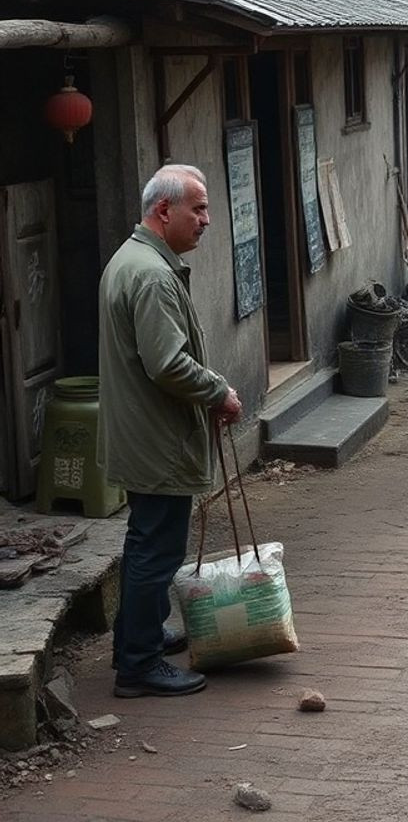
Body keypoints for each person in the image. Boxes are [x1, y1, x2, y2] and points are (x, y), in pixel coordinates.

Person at [98, 164, 242, 698]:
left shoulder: (133, 259)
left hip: (143, 432)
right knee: (156, 549)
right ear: (164, 210)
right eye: (198, 209)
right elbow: (167, 364)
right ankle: (138, 665)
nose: (206, 220)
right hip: (156, 438)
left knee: (149, 542)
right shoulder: (153, 274)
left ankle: (141, 639)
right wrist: (218, 391)